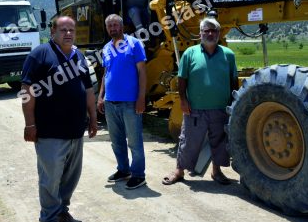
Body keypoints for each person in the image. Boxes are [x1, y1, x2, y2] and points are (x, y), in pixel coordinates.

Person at [20, 16, 97, 222]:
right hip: (50, 132)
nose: (68, 33)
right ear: (52, 31)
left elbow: (88, 89)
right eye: (63, 29)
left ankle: (62, 213)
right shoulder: (40, 55)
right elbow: (27, 91)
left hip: (75, 130)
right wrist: (30, 123)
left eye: (71, 29)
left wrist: (93, 118)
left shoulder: (79, 55)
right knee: (50, 180)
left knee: (70, 178)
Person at [162, 17, 238, 186]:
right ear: (200, 33)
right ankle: (179, 171)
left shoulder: (228, 55)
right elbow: (182, 79)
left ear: (219, 34)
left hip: (220, 109)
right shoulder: (190, 53)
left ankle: (216, 171)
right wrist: (183, 100)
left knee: (218, 141)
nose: (210, 34)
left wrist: (233, 103)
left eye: (214, 31)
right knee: (188, 140)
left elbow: (234, 80)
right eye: (206, 30)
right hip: (195, 108)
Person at [97, 14, 148, 190]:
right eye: (109, 25)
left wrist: (141, 98)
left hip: (130, 103)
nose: (113, 28)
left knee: (134, 141)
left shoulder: (134, 44)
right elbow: (106, 74)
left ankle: (138, 175)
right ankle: (123, 170)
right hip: (111, 103)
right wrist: (101, 96)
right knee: (116, 141)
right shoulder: (106, 48)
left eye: (115, 25)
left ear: (122, 27)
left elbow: (142, 72)